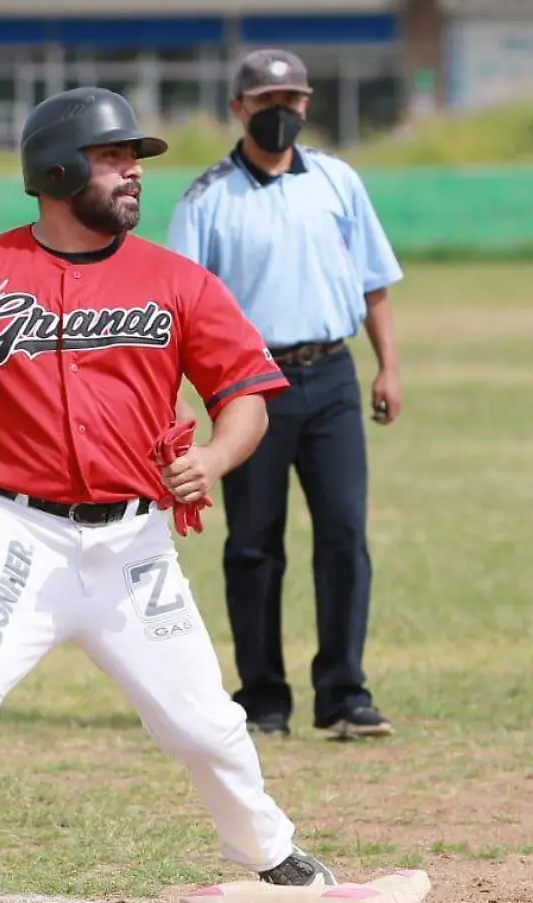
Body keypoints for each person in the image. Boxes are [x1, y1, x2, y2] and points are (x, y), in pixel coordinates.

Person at [0, 86, 338, 903]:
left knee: (201, 720)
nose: (132, 174)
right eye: (114, 157)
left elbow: (245, 400)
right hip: (13, 533)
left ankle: (270, 851)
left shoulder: (175, 279)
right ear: (56, 169)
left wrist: (213, 458)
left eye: (135, 160)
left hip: (133, 544)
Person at [165, 49, 404, 742]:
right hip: (246, 386)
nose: (280, 114)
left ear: (306, 106)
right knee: (254, 543)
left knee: (343, 534)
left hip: (332, 372)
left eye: (292, 101)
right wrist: (179, 398)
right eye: (266, 103)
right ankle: (264, 697)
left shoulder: (337, 181)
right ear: (239, 109)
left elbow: (373, 281)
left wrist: (388, 366)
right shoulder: (207, 197)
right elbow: (176, 307)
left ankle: (344, 693)